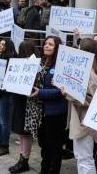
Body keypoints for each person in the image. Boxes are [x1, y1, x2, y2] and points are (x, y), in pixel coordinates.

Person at [30, 36, 67, 174]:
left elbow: (60, 92)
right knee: (44, 145)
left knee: (54, 147)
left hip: (56, 113)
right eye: (45, 44)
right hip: (42, 113)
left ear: (57, 47)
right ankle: (44, 170)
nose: (46, 46)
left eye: (50, 44)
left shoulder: (61, 66)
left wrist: (40, 93)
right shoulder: (42, 63)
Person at [65, 38, 97, 174]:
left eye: (80, 48)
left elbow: (91, 100)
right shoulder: (89, 71)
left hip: (85, 122)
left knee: (84, 158)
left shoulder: (90, 74)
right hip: (82, 120)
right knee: (82, 157)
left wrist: (67, 93)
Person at [8, 40, 35, 174]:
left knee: (25, 132)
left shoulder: (35, 63)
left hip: (27, 102)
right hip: (19, 100)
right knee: (20, 131)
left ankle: (24, 159)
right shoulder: (18, 62)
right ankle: (22, 157)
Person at [0, 39, 17, 156]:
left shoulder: (12, 61)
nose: (0, 46)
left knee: (4, 122)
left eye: (3, 44)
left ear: (8, 47)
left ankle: (4, 145)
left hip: (7, 94)